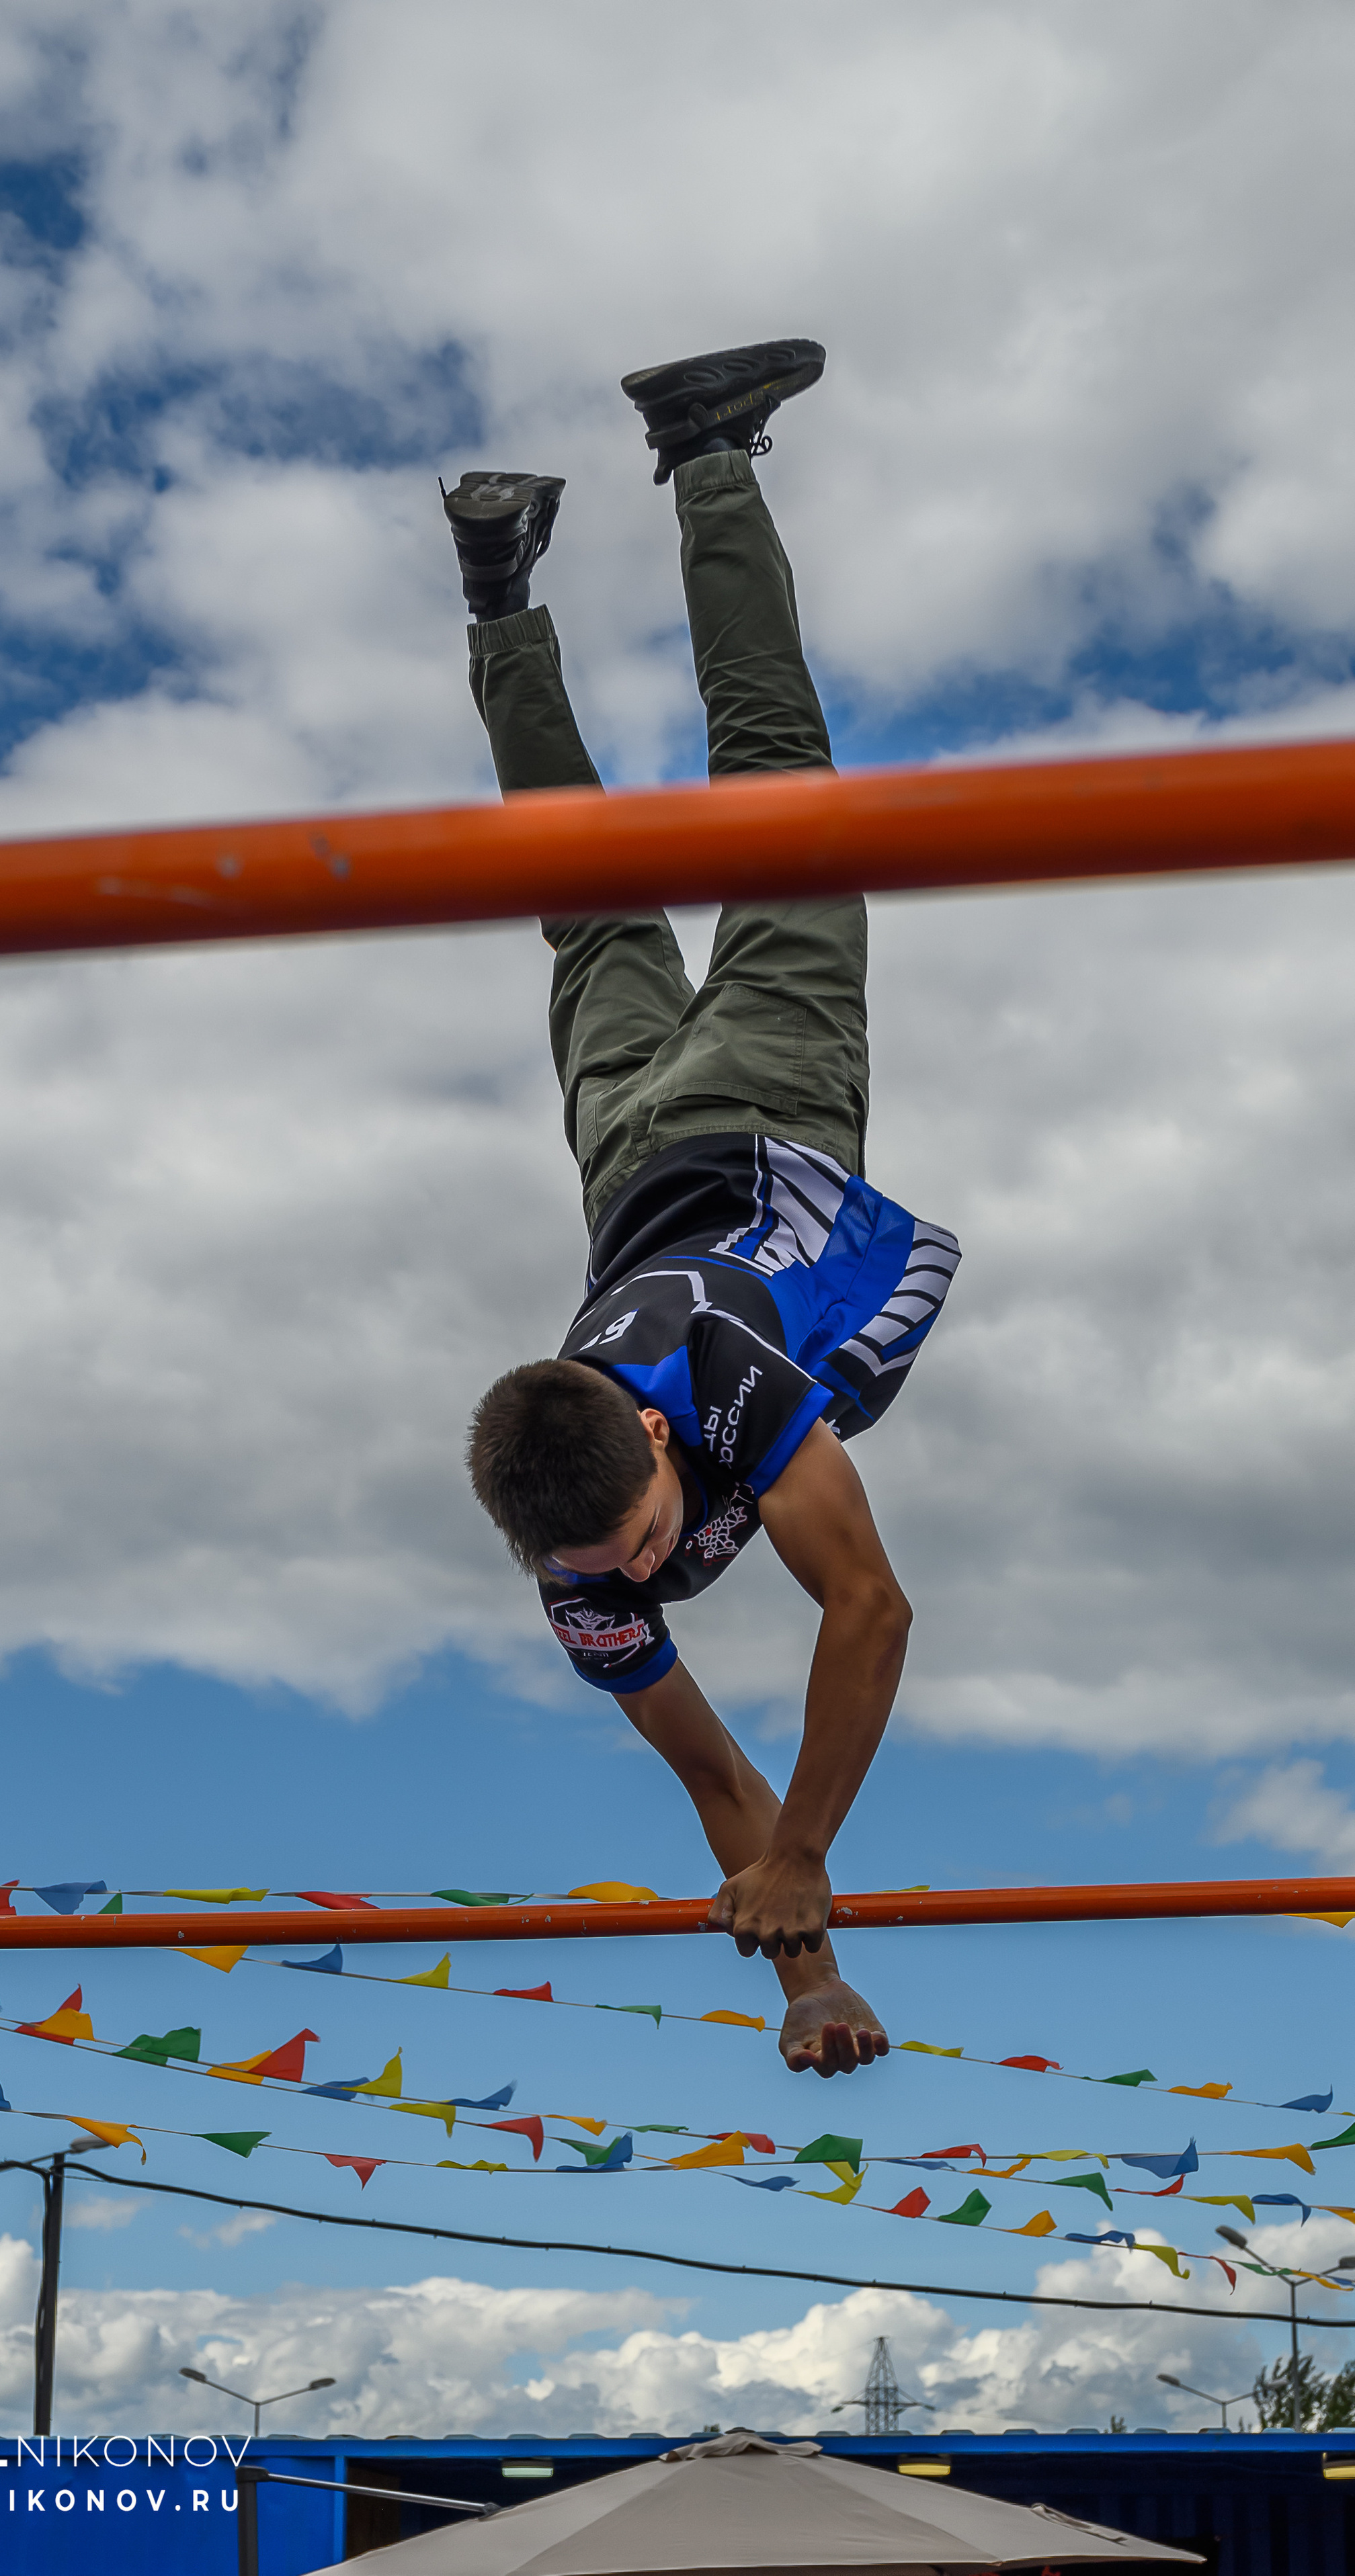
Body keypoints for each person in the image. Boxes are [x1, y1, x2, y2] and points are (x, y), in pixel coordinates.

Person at [450, 341, 960, 2080]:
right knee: (579, 904)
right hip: (625, 1156)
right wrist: (807, 1975)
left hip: (760, 1109)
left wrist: (809, 1855)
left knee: (775, 770)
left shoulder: (725, 1372)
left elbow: (872, 1609)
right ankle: (497, 580)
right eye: (614, 1573)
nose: (650, 1572)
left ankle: (712, 451)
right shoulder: (582, 1573)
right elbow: (717, 1779)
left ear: (659, 1445)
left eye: (647, 1537)